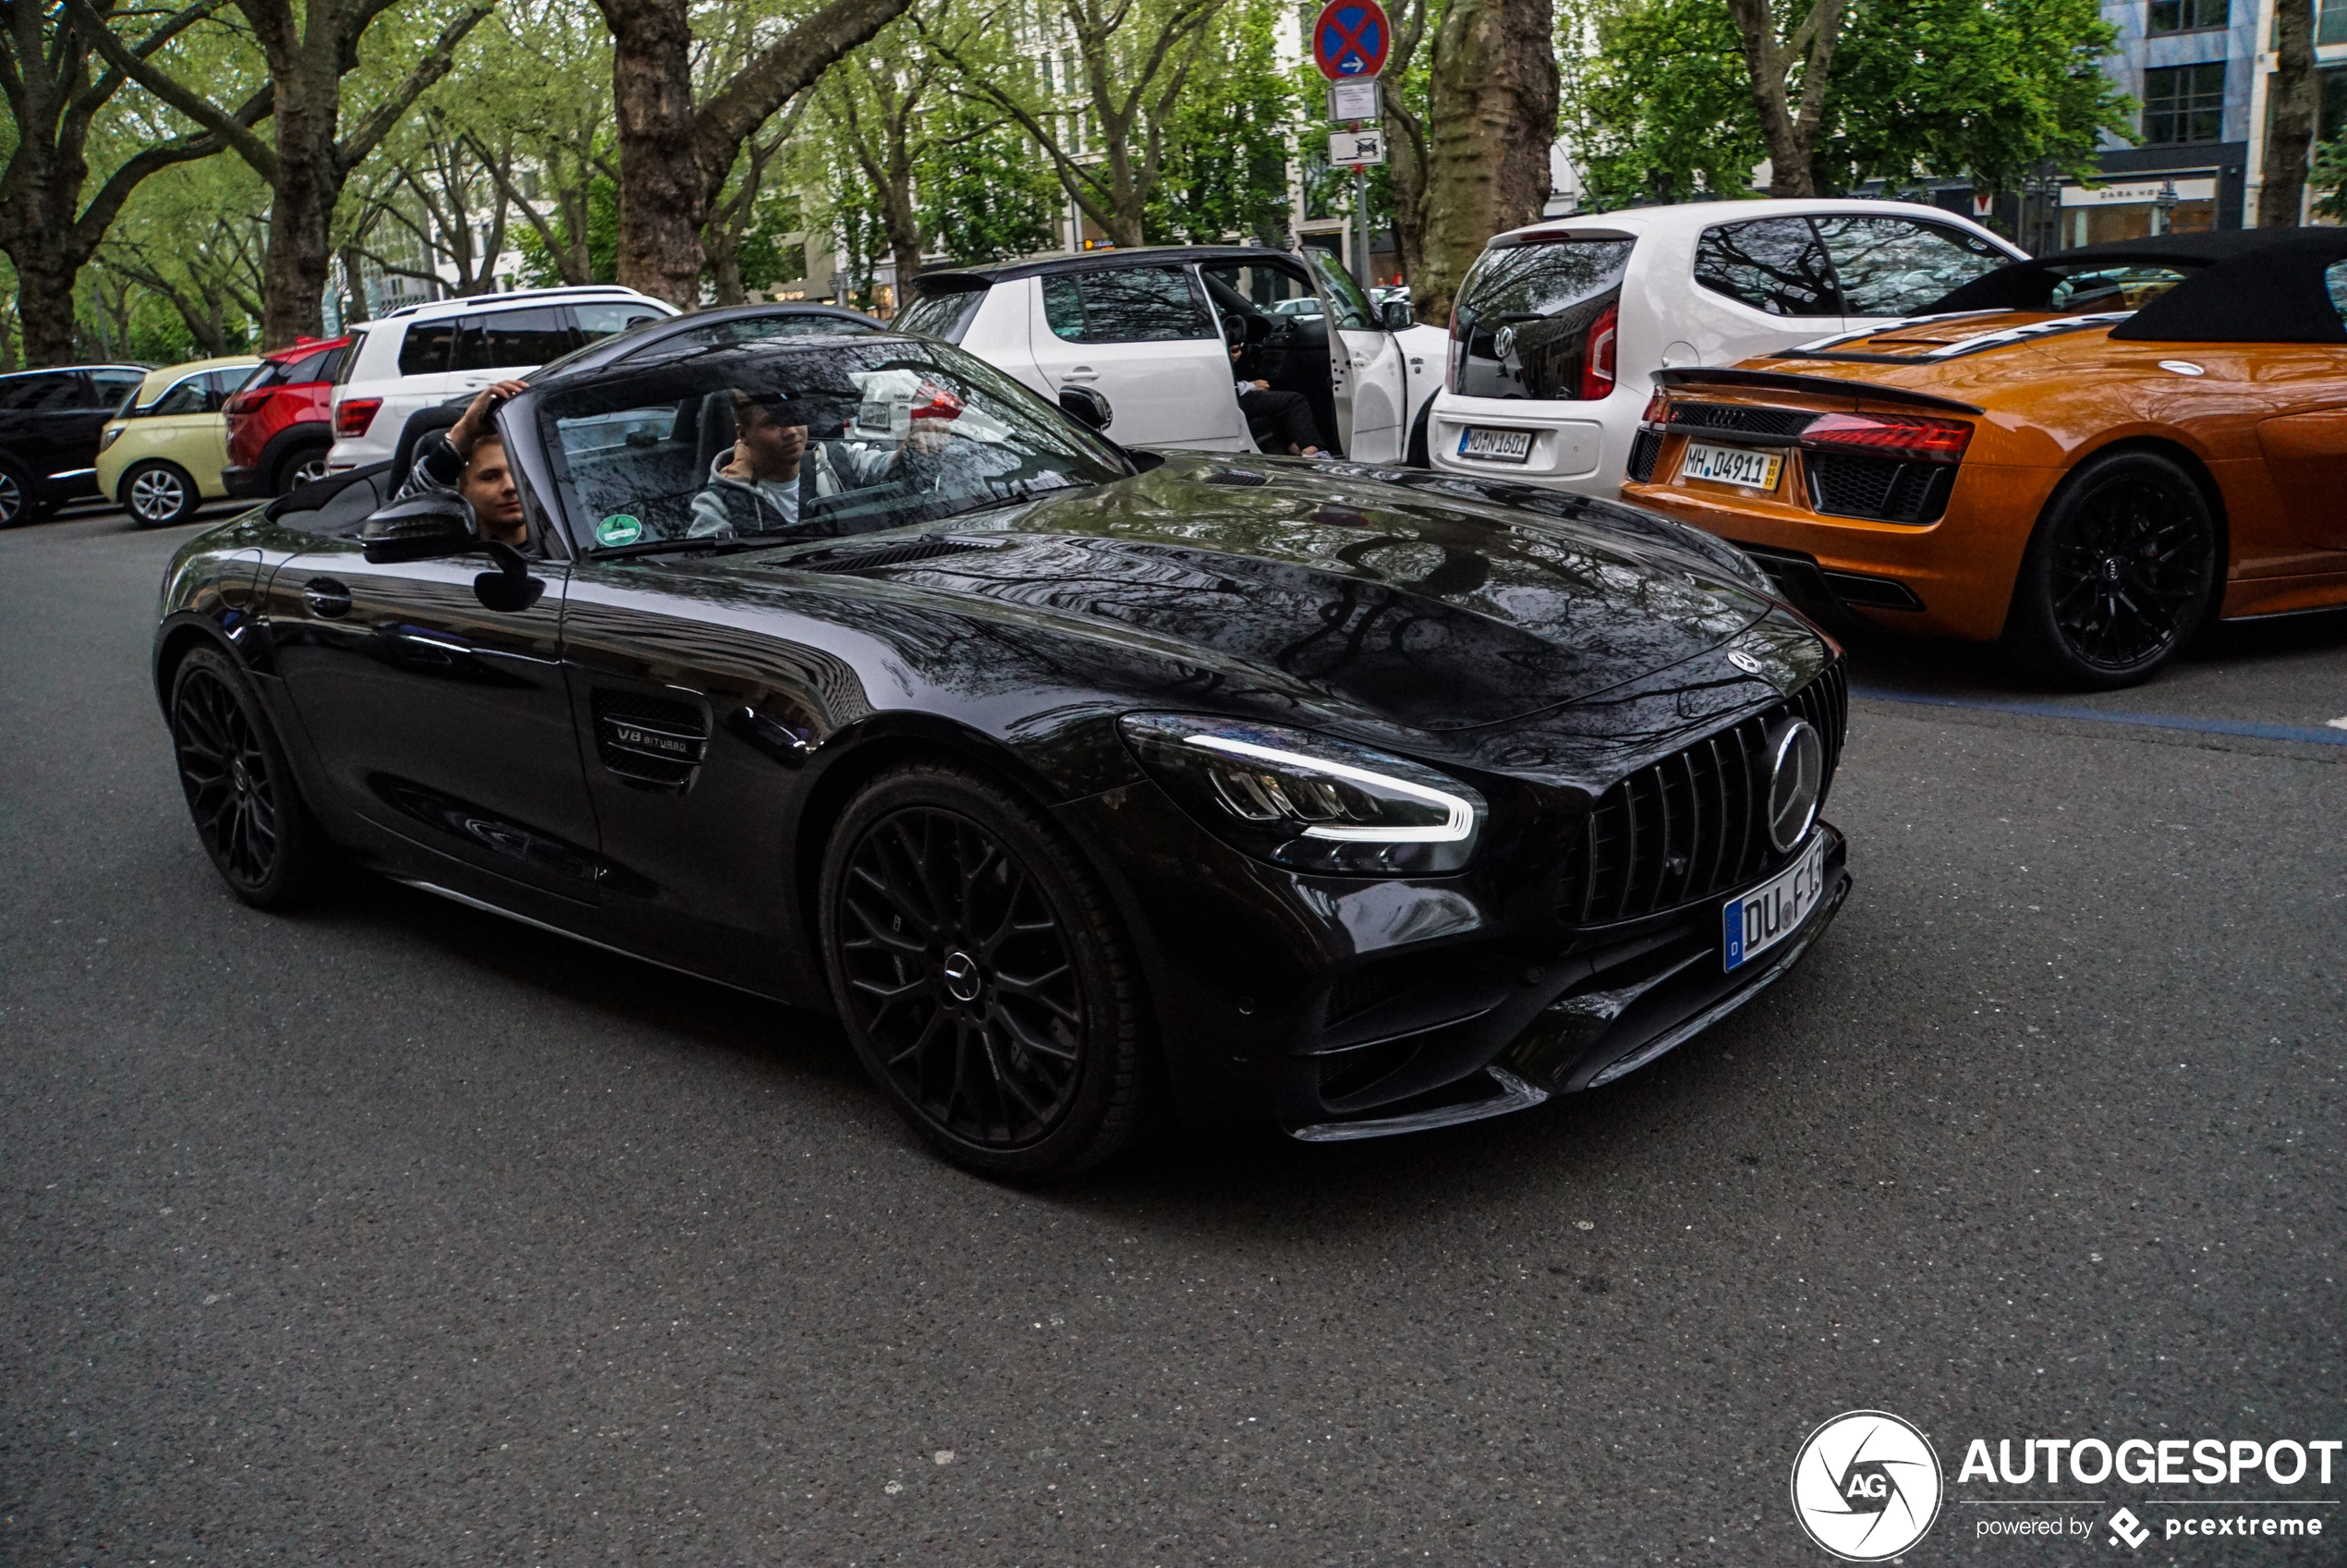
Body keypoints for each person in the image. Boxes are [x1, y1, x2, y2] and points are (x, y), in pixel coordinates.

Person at [688, 386, 939, 540]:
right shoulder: (718, 504)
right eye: (773, 424)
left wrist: (914, 446)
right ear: (742, 434)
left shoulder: (838, 460)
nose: (791, 431)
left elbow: (893, 470)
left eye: (796, 417)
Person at [397, 378, 529, 548]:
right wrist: (465, 431)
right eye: (490, 477)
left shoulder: (566, 541)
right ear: (461, 490)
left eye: (517, 473)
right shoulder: (452, 558)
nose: (510, 486)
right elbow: (404, 519)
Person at [1230, 341, 1325, 457]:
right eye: (1232, 351)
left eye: (1239, 350)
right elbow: (1230, 387)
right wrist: (1251, 386)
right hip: (1231, 399)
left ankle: (1293, 446)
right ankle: (1311, 450)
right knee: (1294, 400)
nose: (1237, 355)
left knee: (1273, 405)